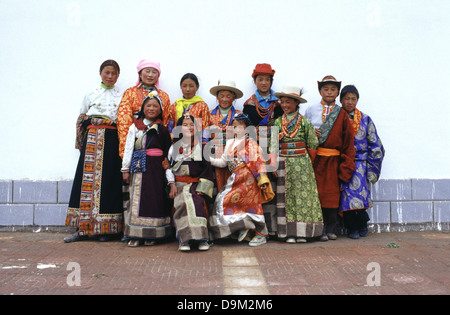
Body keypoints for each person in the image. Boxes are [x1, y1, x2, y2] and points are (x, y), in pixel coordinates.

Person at [65, 59, 124, 243]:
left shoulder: (121, 95)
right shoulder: (91, 93)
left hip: (112, 140)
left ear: (118, 76)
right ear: (100, 73)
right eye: (107, 72)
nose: (110, 76)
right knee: (86, 184)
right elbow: (81, 117)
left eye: (113, 73)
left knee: (108, 182)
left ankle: (106, 229)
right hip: (91, 141)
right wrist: (81, 144)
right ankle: (81, 229)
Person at [208, 113, 274, 247]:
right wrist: (208, 160)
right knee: (222, 200)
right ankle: (239, 229)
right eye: (234, 127)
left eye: (240, 127)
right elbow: (223, 163)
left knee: (251, 206)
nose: (236, 129)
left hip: (249, 180)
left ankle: (261, 234)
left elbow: (258, 162)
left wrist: (262, 180)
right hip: (235, 179)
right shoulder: (230, 144)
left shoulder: (252, 144)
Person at [304, 75, 356, 241]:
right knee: (317, 195)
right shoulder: (311, 110)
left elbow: (348, 140)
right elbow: (304, 131)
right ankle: (319, 229)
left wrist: (346, 164)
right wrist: (312, 132)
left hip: (334, 161)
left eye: (333, 89)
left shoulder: (341, 113)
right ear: (320, 91)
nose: (329, 92)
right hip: (316, 159)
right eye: (326, 89)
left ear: (337, 92)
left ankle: (331, 229)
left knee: (332, 195)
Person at [271, 85, 324, 243]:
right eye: (283, 102)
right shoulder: (277, 122)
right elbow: (273, 145)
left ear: (296, 103)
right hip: (284, 164)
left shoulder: (305, 123)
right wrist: (273, 164)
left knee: (303, 197)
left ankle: (304, 233)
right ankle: (288, 233)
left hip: (302, 163)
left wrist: (308, 164)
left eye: (289, 102)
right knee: (286, 199)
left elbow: (313, 144)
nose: (285, 105)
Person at [121, 91, 173, 247]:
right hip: (138, 168)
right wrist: (125, 169)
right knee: (137, 198)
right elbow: (129, 147)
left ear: (160, 110)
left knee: (154, 198)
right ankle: (135, 234)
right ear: (143, 108)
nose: (151, 108)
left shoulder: (162, 129)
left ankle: (153, 234)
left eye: (155, 106)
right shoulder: (135, 127)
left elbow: (167, 151)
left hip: (156, 169)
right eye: (148, 105)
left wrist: (167, 170)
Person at [338, 85, 385, 239]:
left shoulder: (365, 119)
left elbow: (375, 144)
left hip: (361, 165)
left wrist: (372, 167)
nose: (350, 102)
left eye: (353, 99)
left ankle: (362, 224)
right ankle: (352, 228)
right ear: (341, 100)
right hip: (343, 163)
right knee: (346, 198)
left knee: (361, 196)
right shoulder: (336, 117)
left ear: (357, 100)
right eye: (346, 99)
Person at [243, 63, 282, 236]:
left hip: (274, 147)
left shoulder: (279, 103)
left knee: (274, 184)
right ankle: (257, 228)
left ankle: (274, 228)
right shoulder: (249, 104)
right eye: (260, 79)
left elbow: (283, 126)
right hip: (255, 148)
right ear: (255, 81)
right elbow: (247, 128)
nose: (264, 83)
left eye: (267, 80)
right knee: (257, 185)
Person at [166, 114, 214, 252]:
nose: (189, 127)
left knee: (196, 203)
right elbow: (169, 167)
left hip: (195, 185)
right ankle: (184, 240)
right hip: (179, 185)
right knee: (182, 203)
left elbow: (207, 169)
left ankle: (202, 239)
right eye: (185, 125)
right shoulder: (174, 147)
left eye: (192, 124)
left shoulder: (202, 147)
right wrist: (172, 185)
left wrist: (202, 189)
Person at [117, 59, 171, 160]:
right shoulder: (130, 93)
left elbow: (166, 122)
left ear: (158, 76)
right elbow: (123, 121)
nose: (150, 75)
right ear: (140, 74)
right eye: (147, 71)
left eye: (154, 72)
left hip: (156, 144)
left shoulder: (164, 96)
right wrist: (125, 152)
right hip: (135, 140)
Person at [209, 79, 243, 192]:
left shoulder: (239, 115)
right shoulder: (209, 114)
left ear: (233, 98)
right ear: (217, 97)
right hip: (216, 151)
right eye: (221, 96)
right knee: (218, 183)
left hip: (234, 151)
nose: (224, 99)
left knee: (234, 181)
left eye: (228, 96)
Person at [167, 73, 211, 144]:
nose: (188, 89)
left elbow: (205, 127)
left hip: (196, 144)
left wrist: (204, 142)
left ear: (197, 87)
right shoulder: (175, 105)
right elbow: (170, 126)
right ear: (181, 87)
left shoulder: (202, 106)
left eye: (191, 86)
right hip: (177, 144)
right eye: (184, 86)